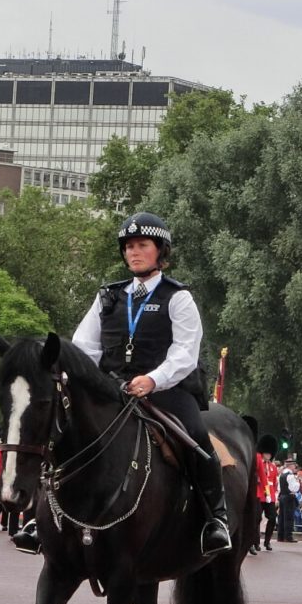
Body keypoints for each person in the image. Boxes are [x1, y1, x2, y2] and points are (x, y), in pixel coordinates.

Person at [69, 211, 232, 556]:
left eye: (142, 245)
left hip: (167, 391)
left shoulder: (178, 297)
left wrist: (152, 379)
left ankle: (215, 520)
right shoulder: (108, 297)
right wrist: (97, 382)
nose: (133, 252)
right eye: (128, 246)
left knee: (196, 440)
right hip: (113, 390)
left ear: (160, 251)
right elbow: (84, 346)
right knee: (65, 430)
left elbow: (185, 352)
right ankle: (42, 518)